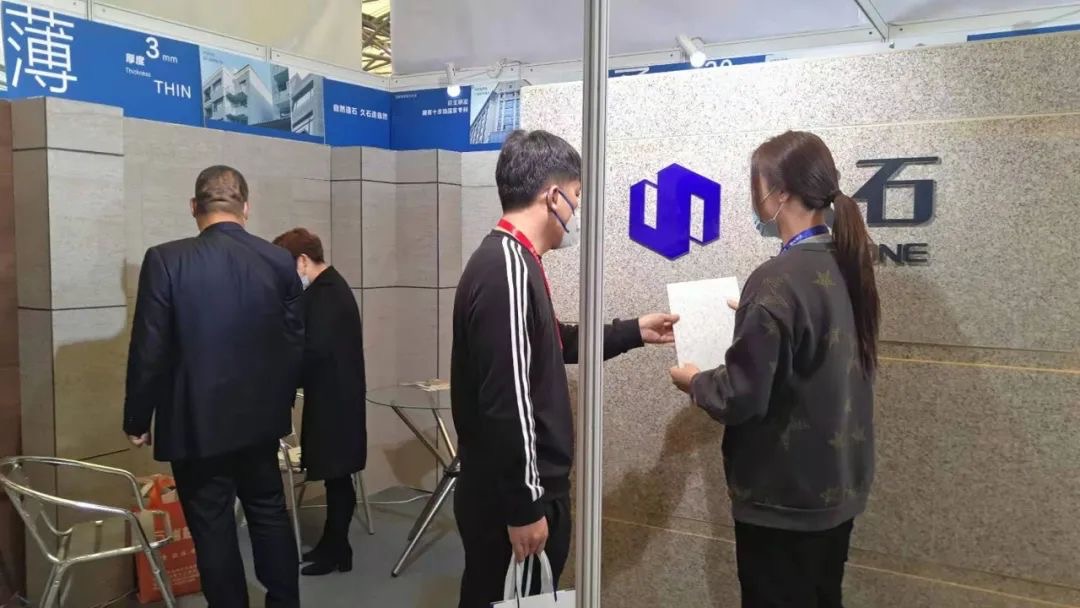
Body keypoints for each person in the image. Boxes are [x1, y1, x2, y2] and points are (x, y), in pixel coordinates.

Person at [451, 129, 680, 608]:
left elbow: (556, 341)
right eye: (576, 196)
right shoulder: (506, 269)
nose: (576, 212)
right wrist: (524, 505)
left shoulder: (515, 261)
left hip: (518, 489)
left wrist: (634, 330)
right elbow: (507, 401)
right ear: (553, 196)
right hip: (513, 497)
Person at [669, 130, 879, 608]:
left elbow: (741, 395)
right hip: (837, 486)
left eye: (756, 184)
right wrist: (754, 316)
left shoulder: (775, 281)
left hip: (784, 499)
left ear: (779, 193)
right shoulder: (848, 261)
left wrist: (695, 382)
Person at [123, 166, 304, 608]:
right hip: (261, 423)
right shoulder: (279, 260)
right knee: (269, 514)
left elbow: (149, 348)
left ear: (193, 207)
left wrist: (137, 418)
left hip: (196, 425)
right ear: (246, 207)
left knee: (212, 527)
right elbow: (294, 343)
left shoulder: (166, 260)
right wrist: (279, 403)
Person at [272, 227, 367, 577]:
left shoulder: (326, 293)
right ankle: (336, 546)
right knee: (336, 476)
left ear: (302, 260)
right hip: (335, 396)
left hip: (334, 400)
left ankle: (337, 547)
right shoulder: (331, 288)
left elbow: (313, 351)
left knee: (337, 474)